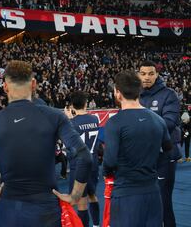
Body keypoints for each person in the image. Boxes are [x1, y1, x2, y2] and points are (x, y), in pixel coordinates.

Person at [0, 60, 92, 227]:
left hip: (10, 212)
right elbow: (84, 156)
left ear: (4, 87)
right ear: (33, 84)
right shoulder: (55, 116)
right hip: (46, 211)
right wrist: (75, 196)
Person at [103, 71, 173, 227]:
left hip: (126, 193)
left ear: (117, 93)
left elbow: (110, 161)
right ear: (139, 90)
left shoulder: (115, 123)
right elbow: (168, 150)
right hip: (153, 192)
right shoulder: (158, 120)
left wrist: (106, 173)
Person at [139, 61, 181, 227]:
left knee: (163, 201)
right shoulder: (135, 94)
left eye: (150, 73)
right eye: (143, 73)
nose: (147, 77)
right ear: (138, 75)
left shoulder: (169, 94)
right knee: (143, 201)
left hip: (164, 156)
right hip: (142, 156)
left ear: (156, 75)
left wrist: (138, 125)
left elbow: (169, 123)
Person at [66, 91, 100, 227]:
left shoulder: (71, 124)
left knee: (81, 202)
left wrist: (69, 119)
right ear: (86, 104)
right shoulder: (95, 119)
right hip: (93, 163)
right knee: (92, 195)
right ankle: (97, 224)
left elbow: (69, 148)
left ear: (72, 105)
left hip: (79, 166)